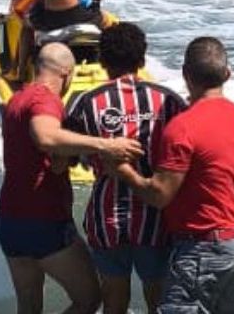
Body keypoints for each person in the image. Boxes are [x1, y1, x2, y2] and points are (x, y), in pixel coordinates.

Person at [106, 36, 234, 314]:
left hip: (203, 246)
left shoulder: (183, 127)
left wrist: (123, 170)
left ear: (186, 75)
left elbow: (159, 195)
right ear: (227, 73)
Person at [0, 42, 144, 314]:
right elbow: (46, 136)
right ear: (66, 73)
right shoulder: (46, 100)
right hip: (43, 219)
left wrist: (64, 158)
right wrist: (106, 146)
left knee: (28, 306)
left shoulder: (17, 98)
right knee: (89, 299)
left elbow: (43, 154)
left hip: (10, 220)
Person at [65, 23, 187, 313]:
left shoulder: (85, 101)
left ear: (102, 62)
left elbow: (69, 157)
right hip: (156, 219)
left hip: (106, 218)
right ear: (142, 60)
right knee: (159, 300)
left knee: (114, 302)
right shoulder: (169, 101)